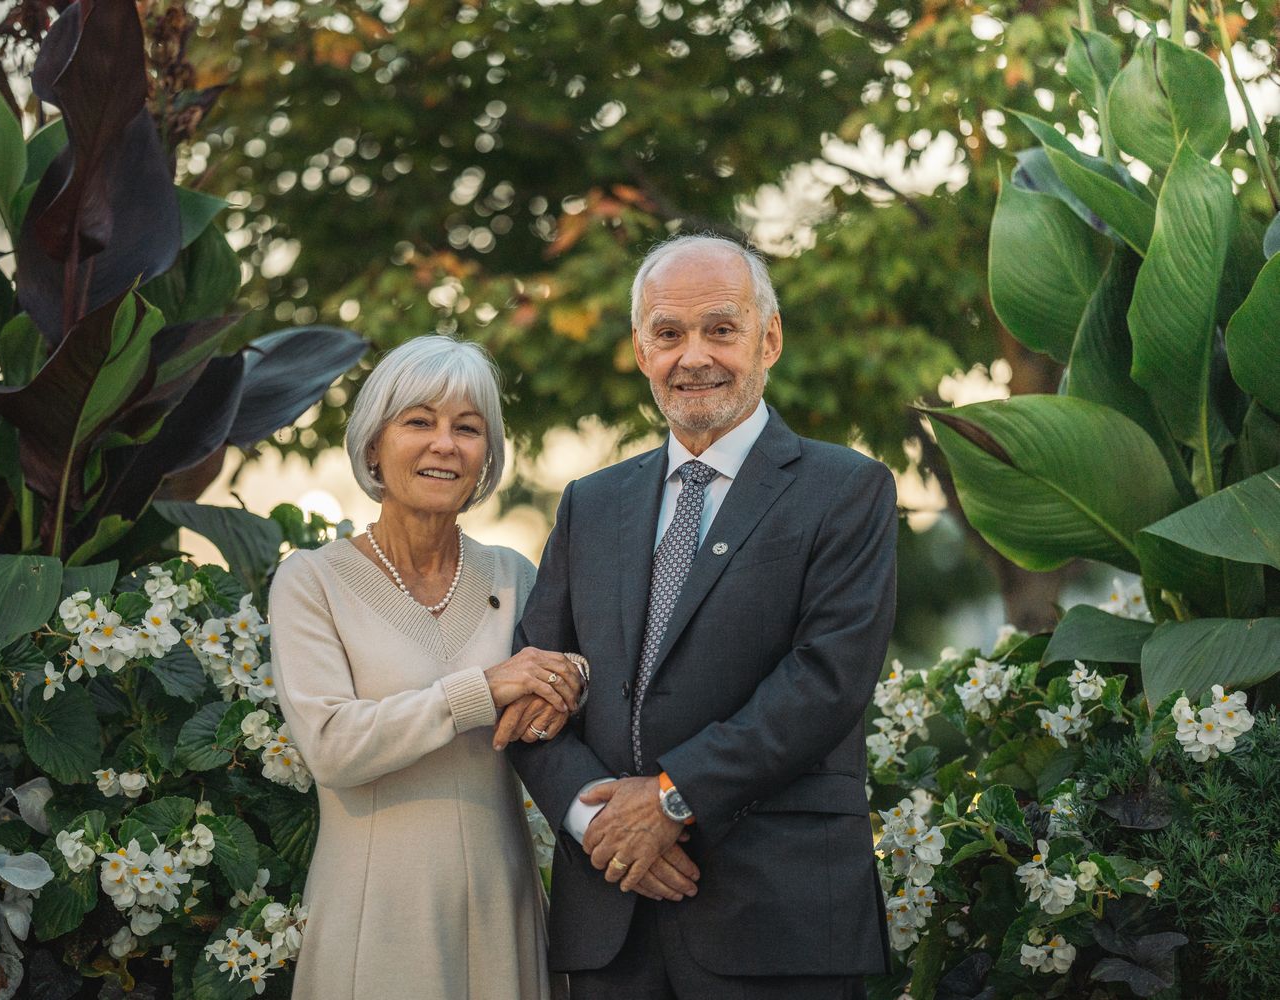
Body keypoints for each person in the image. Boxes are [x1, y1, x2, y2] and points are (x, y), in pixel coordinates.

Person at [505, 235, 897, 999]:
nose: (694, 357)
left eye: (721, 328)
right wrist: (602, 830)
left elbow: (827, 681)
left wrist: (668, 798)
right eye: (668, 333)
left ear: (769, 338)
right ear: (640, 347)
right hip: (613, 915)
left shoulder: (846, 490)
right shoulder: (592, 503)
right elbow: (532, 692)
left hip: (778, 919)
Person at [267, 336, 585, 1000]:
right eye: (419, 422)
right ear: (374, 445)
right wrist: (484, 690)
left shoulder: (516, 577)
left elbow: (569, 683)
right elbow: (333, 748)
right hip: (376, 915)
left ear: (486, 457)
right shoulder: (311, 582)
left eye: (467, 429)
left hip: (505, 908)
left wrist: (570, 680)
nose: (445, 444)